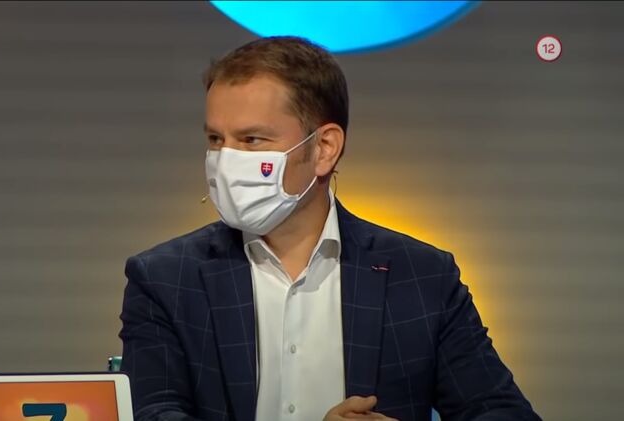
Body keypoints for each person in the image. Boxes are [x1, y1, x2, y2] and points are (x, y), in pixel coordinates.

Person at [119, 36, 540, 421]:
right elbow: (154, 414)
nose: (225, 161)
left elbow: (501, 412)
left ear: (324, 149)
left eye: (251, 140)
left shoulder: (422, 276)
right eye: (215, 139)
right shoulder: (164, 279)